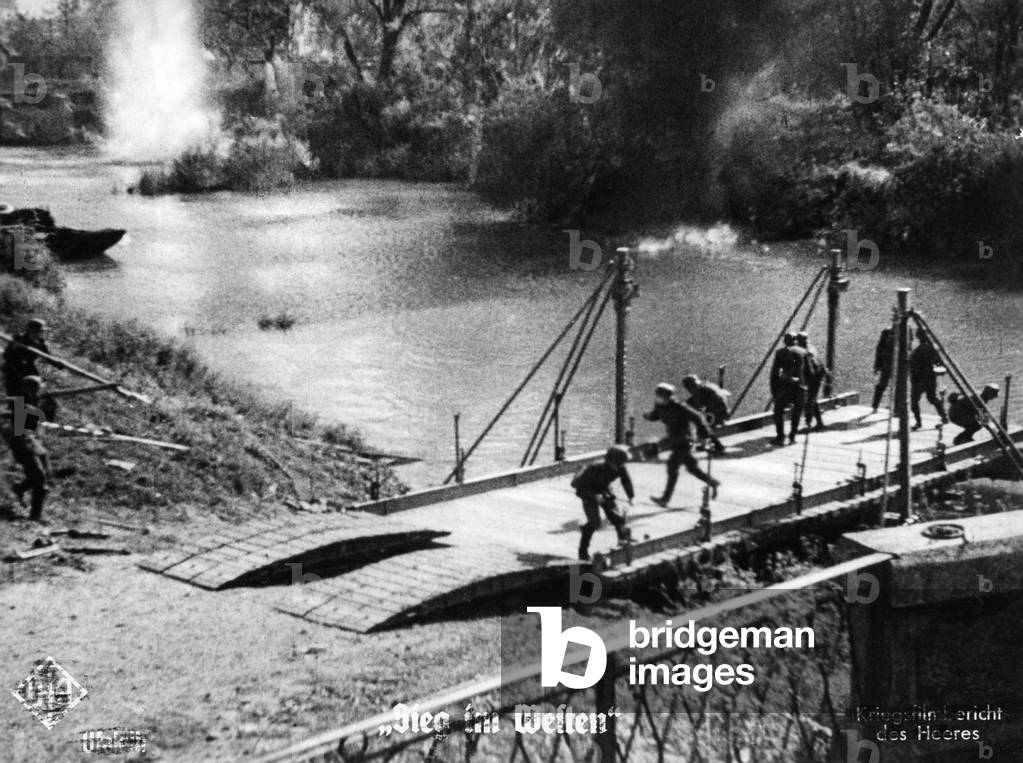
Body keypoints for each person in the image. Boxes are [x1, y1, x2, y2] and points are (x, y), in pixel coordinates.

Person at [644, 383, 720, 507]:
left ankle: (665, 498)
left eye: (660, 395)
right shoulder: (660, 406)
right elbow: (656, 415)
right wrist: (648, 416)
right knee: (692, 468)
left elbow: (698, 418)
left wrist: (706, 436)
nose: (657, 398)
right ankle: (713, 483)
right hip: (674, 440)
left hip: (684, 441)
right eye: (657, 395)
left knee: (672, 467)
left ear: (667, 396)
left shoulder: (680, 407)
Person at [571, 445, 634, 561]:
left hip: (603, 489)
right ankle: (582, 552)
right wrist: (594, 497)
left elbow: (626, 480)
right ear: (612, 462)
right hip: (587, 491)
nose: (620, 467)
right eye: (619, 464)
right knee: (594, 522)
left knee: (617, 516)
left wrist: (631, 496)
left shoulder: (620, 468)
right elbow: (578, 488)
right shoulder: (594, 468)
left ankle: (622, 540)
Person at [4, 376, 50, 522]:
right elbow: (19, 429)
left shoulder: (35, 402)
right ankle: (35, 517)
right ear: (29, 389)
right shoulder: (19, 403)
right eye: (37, 389)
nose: (39, 391)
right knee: (40, 481)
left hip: (34, 444)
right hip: (23, 445)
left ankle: (18, 489)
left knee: (42, 477)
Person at [2, 318, 63, 397]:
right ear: (34, 331)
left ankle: (32, 405)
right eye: (41, 331)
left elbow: (47, 355)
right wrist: (13, 348)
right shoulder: (19, 339)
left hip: (29, 368)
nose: (43, 333)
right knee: (17, 396)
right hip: (13, 370)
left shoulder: (39, 342)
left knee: (35, 390)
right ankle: (17, 408)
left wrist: (58, 364)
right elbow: (6, 356)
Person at [769, 333, 808, 446]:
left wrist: (774, 390)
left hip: (785, 385)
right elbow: (809, 371)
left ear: (785, 341)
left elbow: (774, 373)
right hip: (800, 386)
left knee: (778, 411)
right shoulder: (803, 352)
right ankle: (792, 436)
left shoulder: (780, 353)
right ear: (795, 341)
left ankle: (780, 437)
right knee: (797, 412)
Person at [910, 328, 948, 429]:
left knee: (914, 401)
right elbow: (940, 363)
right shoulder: (932, 348)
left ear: (919, 337)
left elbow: (913, 365)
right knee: (932, 398)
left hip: (918, 379)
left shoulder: (918, 350)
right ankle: (944, 416)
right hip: (930, 378)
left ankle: (918, 422)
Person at [681, 374, 729, 454]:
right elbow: (726, 394)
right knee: (701, 423)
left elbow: (698, 406)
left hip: (717, 413)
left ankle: (718, 447)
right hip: (722, 411)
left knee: (702, 425)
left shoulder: (698, 391)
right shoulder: (706, 386)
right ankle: (704, 445)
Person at [795, 332, 827, 431]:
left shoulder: (807, 351)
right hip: (817, 375)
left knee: (809, 400)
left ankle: (808, 424)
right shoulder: (810, 347)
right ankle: (819, 423)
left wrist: (808, 381)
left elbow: (811, 368)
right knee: (812, 400)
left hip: (815, 376)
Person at [872, 326, 895, 412]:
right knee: (882, 385)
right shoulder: (886, 332)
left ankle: (894, 407)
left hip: (895, 364)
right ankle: (875, 406)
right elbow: (880, 349)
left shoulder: (906, 331)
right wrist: (877, 365)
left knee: (896, 387)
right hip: (887, 364)